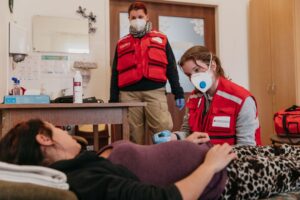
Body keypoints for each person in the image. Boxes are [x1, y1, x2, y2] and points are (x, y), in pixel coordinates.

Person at [0, 119, 299, 200]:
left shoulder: (81, 163)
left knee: (290, 149)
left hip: (218, 156)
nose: (65, 133)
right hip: (225, 178)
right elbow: (166, 197)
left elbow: (141, 162)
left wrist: (184, 145)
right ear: (44, 138)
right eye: (56, 129)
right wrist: (209, 165)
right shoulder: (85, 181)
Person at [109, 1, 185, 144]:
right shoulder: (121, 43)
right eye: (133, 17)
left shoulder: (161, 39)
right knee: (133, 136)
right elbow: (115, 73)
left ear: (147, 17)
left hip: (155, 92)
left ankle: (163, 164)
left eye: (140, 16)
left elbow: (171, 67)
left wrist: (178, 92)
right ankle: (136, 165)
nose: (137, 20)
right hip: (128, 96)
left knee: (163, 134)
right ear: (129, 19)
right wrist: (113, 99)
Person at [162, 45, 261, 146]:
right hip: (201, 157)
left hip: (232, 159)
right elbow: (187, 132)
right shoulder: (194, 97)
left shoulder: (241, 99)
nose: (193, 78)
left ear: (213, 65)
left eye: (197, 70)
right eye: (189, 75)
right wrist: (173, 137)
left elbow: (246, 147)